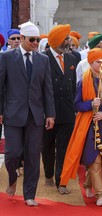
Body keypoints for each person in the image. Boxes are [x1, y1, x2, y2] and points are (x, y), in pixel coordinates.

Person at [0, 21, 55, 206]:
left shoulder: (43, 59)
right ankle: (13, 176)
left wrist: (50, 114)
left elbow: (47, 89)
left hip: (36, 114)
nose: (35, 43)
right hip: (13, 114)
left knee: (32, 156)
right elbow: (0, 88)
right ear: (22, 38)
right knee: (12, 153)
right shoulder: (6, 58)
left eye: (38, 40)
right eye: (32, 39)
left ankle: (29, 194)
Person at [60, 48, 102, 206]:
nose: (101, 64)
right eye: (97, 61)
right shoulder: (83, 81)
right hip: (88, 126)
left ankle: (87, 184)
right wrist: (90, 104)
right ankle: (100, 195)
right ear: (90, 63)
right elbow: (76, 104)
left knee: (100, 158)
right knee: (95, 160)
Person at [42, 24, 77, 195]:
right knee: (47, 146)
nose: (69, 41)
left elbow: (73, 86)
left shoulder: (72, 59)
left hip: (68, 112)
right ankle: (48, 174)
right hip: (48, 112)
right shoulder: (42, 58)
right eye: (66, 38)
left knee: (63, 147)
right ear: (57, 41)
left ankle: (61, 182)